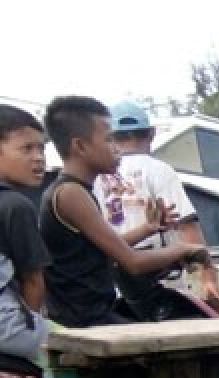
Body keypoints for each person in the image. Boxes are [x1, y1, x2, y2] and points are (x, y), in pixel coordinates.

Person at [39, 96, 207, 328]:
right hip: (85, 321)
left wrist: (147, 229)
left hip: (89, 315)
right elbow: (132, 262)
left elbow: (104, 249)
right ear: (80, 146)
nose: (117, 148)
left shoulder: (77, 190)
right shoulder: (70, 194)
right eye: (109, 139)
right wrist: (184, 249)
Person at [92, 101, 219, 315]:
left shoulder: (97, 177)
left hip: (113, 285)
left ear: (111, 138)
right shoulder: (158, 170)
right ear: (151, 134)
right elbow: (187, 227)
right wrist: (209, 279)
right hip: (158, 283)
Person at [0, 104, 52, 363]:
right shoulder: (15, 206)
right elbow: (33, 282)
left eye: (41, 148)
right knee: (86, 349)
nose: (38, 158)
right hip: (9, 327)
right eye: (26, 149)